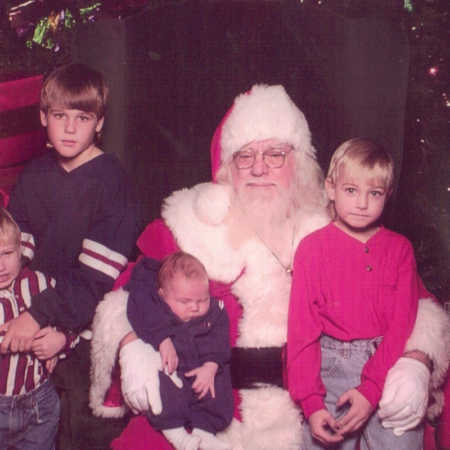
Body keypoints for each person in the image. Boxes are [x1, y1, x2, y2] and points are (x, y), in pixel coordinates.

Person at [91, 84, 450, 450]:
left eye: (275, 154)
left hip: (314, 411)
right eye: (245, 156)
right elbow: (127, 292)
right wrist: (133, 345)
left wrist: (416, 362)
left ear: (300, 163)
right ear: (227, 168)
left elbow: (416, 304)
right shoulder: (191, 225)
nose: (259, 168)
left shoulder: (338, 226)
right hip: (206, 406)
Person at [0, 63, 139, 449]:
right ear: (44, 117)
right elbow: (17, 251)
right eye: (60, 116)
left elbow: (95, 281)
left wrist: (51, 326)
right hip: (33, 313)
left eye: (83, 117)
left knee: (76, 426)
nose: (70, 127)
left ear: (99, 123)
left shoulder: (112, 184)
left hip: (86, 324)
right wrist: (21, 317)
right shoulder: (36, 173)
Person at [287, 138, 426, 449]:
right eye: (351, 190)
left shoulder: (400, 249)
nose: (362, 203)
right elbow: (302, 331)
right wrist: (311, 402)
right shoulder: (312, 249)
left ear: (387, 196)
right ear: (331, 188)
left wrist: (372, 388)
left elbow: (403, 324)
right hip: (329, 368)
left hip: (388, 364)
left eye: (374, 193)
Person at [105, 251, 233, 450]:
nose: (195, 307)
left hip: (202, 368)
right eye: (185, 301)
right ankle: (177, 435)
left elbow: (219, 338)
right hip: (173, 370)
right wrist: (163, 340)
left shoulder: (215, 312)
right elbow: (139, 310)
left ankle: (205, 433)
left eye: (202, 300)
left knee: (219, 384)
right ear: (163, 295)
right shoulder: (154, 305)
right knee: (160, 390)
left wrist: (211, 366)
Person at [0, 208, 78, 449]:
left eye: (7, 253)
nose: (1, 265)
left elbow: (73, 320)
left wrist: (61, 341)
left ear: (20, 250)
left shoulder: (40, 283)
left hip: (39, 402)